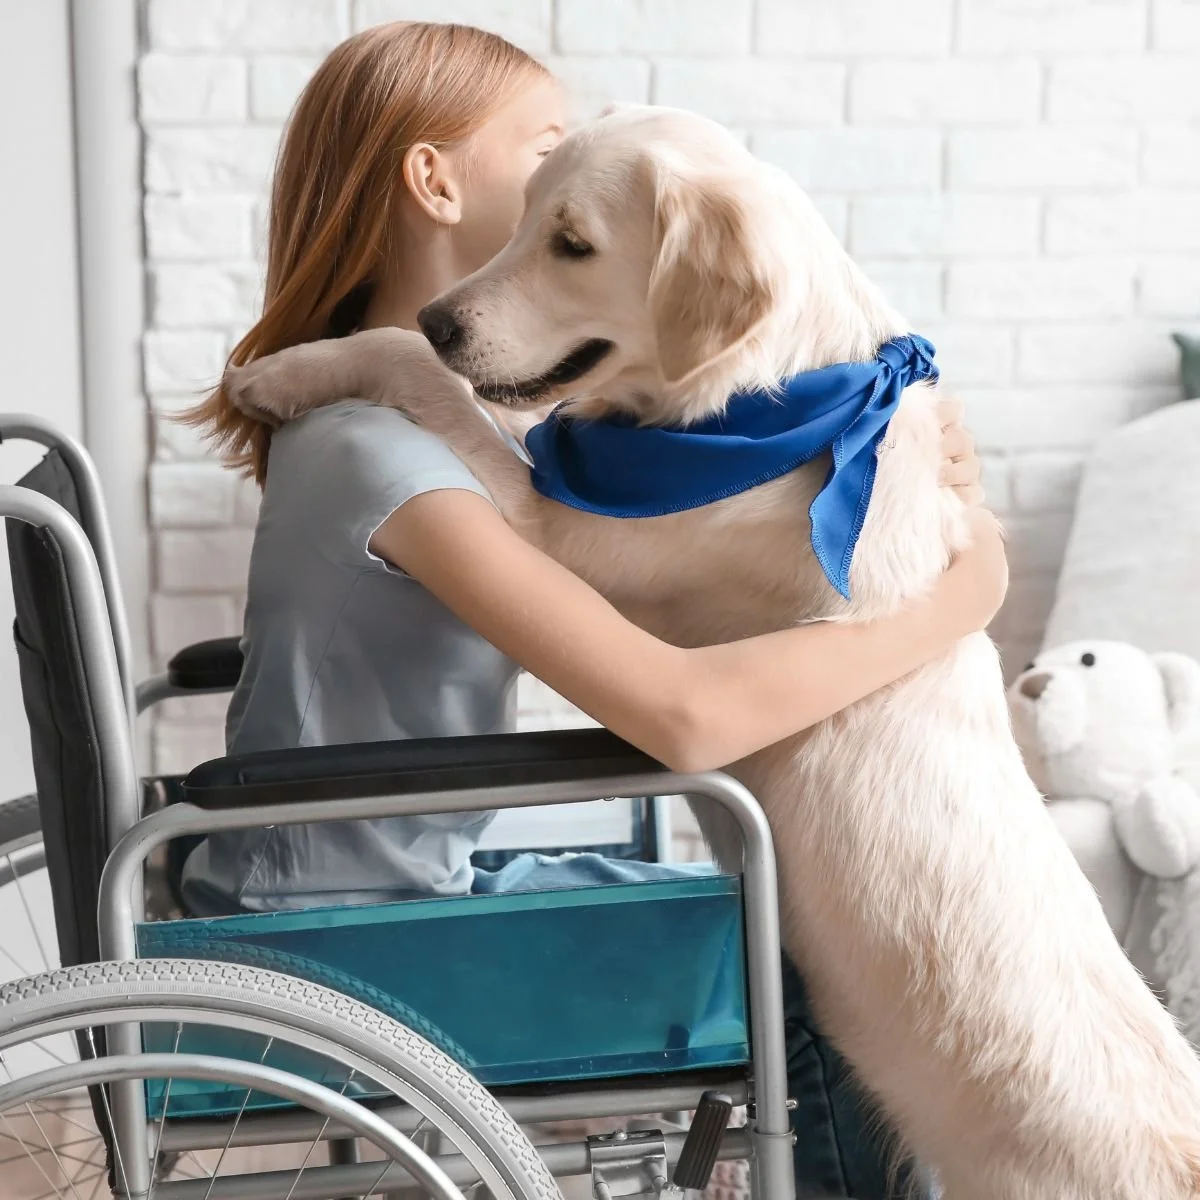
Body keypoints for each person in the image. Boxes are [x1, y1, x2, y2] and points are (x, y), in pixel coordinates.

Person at [185, 21, 1006, 1198]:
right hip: (346, 941)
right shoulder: (381, 448)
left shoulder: (411, 426)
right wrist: (960, 600)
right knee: (793, 966)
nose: (568, 169)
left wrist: (908, 453)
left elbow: (657, 477)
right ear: (435, 180)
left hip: (375, 895)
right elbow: (681, 716)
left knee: (758, 920)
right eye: (545, 149)